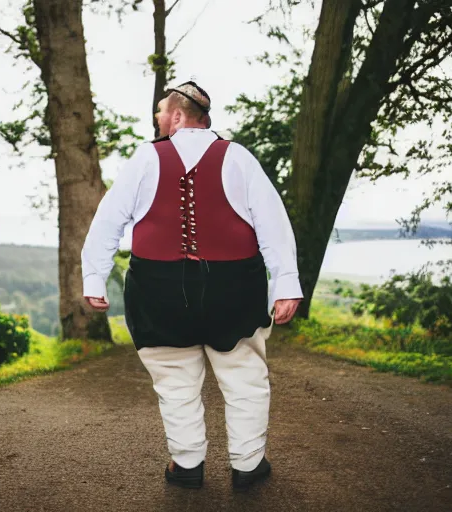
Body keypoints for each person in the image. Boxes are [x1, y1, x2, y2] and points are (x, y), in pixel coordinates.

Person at [81, 81, 303, 490]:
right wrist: (285, 284)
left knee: (174, 378)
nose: (158, 121)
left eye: (160, 114)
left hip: (157, 288)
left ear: (178, 116)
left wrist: (94, 275)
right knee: (243, 377)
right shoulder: (238, 158)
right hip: (233, 286)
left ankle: (186, 466)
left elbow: (108, 219)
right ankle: (248, 465)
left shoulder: (145, 158)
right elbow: (273, 221)